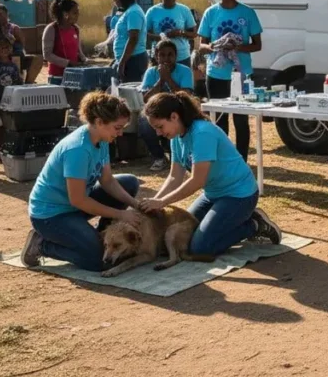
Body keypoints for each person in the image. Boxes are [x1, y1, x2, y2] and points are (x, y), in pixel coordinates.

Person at [139, 92, 281, 256]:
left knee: (201, 248)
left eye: (159, 127)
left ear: (174, 117)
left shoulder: (202, 133)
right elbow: (174, 176)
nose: (158, 133)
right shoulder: (176, 137)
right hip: (213, 194)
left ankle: (254, 225)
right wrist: (155, 201)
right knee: (185, 233)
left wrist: (162, 202)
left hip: (239, 195)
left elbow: (197, 180)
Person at [19, 93, 143, 272]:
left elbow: (107, 180)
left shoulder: (102, 139)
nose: (120, 133)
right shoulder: (77, 149)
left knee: (129, 183)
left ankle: (101, 236)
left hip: (74, 206)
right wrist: (121, 215)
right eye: (117, 127)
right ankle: (42, 245)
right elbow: (78, 200)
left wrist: (136, 205)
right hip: (51, 215)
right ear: (99, 122)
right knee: (100, 261)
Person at [198, 0, 262, 159]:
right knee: (219, 120)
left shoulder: (247, 13)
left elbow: (257, 45)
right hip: (216, 74)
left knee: (241, 120)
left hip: (241, 74)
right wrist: (214, 46)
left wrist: (238, 46)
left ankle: (241, 159)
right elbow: (201, 45)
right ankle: (223, 159)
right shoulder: (211, 13)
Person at [138, 39, 195, 172]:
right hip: (158, 111)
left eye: (170, 55)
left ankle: (183, 155)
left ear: (176, 56)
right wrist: (161, 80)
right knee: (143, 122)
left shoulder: (185, 71)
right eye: (162, 55)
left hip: (179, 110)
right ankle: (159, 157)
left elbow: (185, 96)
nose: (166, 59)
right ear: (156, 56)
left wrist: (168, 78)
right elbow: (146, 98)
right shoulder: (151, 72)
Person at [145, 0, 197, 67]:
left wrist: (180, 32)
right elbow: (144, 33)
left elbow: (194, 34)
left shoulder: (184, 10)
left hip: (181, 57)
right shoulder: (152, 11)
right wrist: (159, 38)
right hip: (159, 57)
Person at [0, 3, 43, 84]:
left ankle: (24, 82)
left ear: (6, 14)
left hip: (13, 55)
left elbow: (22, 45)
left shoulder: (14, 28)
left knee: (34, 58)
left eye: (0, 14)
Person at [42, 0, 88, 85]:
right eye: (75, 13)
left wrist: (85, 60)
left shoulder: (76, 29)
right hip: (57, 77)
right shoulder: (51, 29)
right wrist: (68, 63)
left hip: (74, 76)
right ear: (65, 14)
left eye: (78, 12)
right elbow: (47, 55)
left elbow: (78, 52)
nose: (78, 15)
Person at [112, 0, 148, 83]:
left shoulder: (133, 12)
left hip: (133, 60)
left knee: (130, 94)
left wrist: (122, 62)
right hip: (129, 59)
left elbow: (133, 39)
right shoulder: (129, 11)